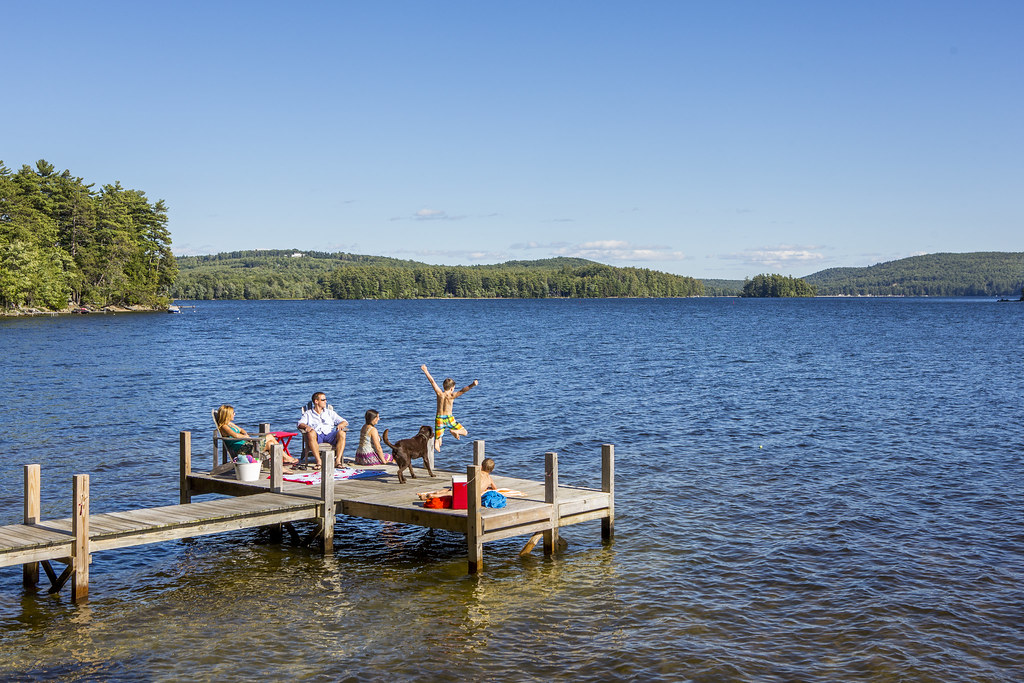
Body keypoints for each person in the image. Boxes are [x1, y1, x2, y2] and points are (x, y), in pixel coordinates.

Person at [215, 404, 295, 473]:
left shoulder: (230, 424)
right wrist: (246, 437)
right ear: (227, 415)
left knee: (271, 443)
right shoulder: (224, 427)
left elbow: (241, 430)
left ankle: (281, 466)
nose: (234, 414)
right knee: (269, 437)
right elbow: (236, 436)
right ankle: (286, 458)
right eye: (233, 413)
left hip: (246, 445)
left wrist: (245, 434)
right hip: (243, 450)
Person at [420, 364, 478, 451]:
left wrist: (425, 371)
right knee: (465, 432)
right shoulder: (452, 395)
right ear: (451, 388)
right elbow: (463, 390)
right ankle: (455, 431)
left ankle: (437, 444)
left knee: (438, 440)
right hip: (449, 418)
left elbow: (432, 381)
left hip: (439, 418)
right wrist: (472, 385)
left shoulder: (439, 393)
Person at [297, 392, 348, 468]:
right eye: (323, 400)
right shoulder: (308, 414)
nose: (325, 401)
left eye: (325, 399)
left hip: (329, 435)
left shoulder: (329, 413)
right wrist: (305, 426)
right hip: (317, 436)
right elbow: (299, 423)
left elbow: (345, 421)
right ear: (316, 401)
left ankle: (337, 461)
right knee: (311, 433)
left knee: (342, 433)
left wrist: (341, 424)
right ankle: (319, 461)